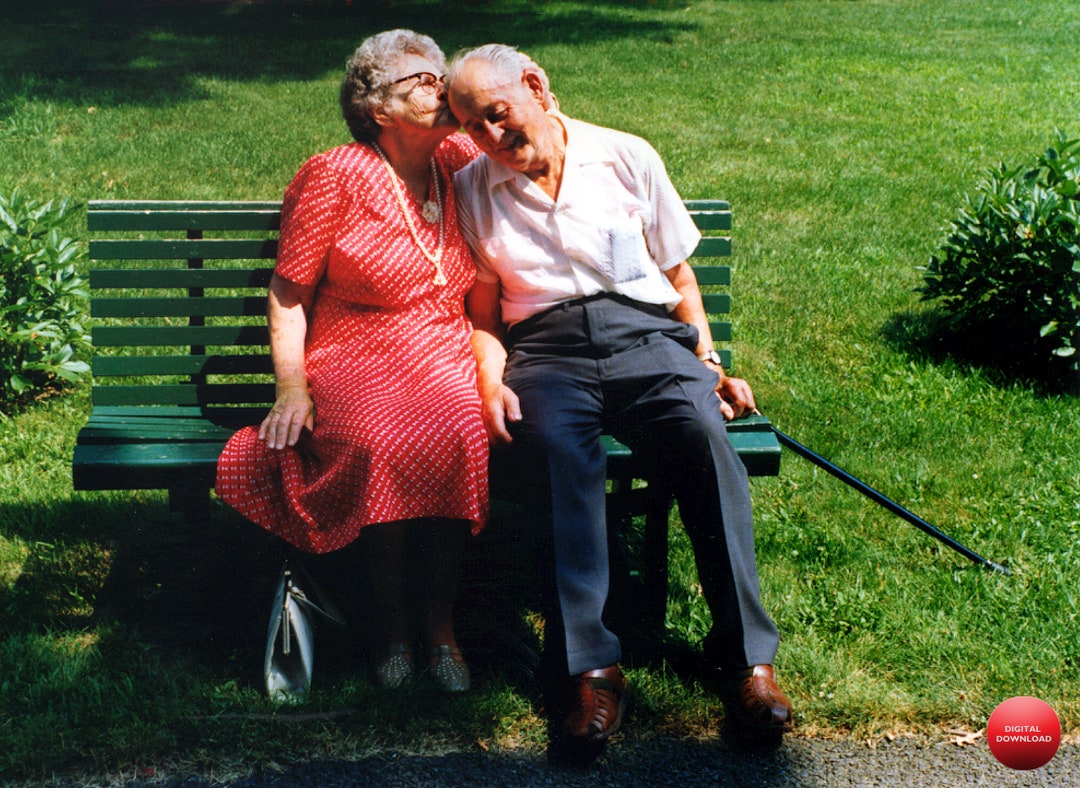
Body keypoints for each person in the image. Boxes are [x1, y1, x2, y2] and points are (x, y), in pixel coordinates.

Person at [446, 44, 794, 753]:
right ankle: (592, 670)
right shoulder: (474, 188)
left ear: (537, 86)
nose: (490, 137)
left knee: (702, 435)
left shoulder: (626, 156)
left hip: (647, 339)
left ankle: (746, 659)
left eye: (498, 114)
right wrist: (489, 381)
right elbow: (483, 313)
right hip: (546, 350)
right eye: (473, 127)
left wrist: (710, 362)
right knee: (557, 453)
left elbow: (680, 278)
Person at [216, 29, 488, 697]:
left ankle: (441, 629)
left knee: (460, 428)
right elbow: (289, 292)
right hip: (355, 347)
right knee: (378, 439)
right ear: (376, 109)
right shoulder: (335, 174)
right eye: (420, 81)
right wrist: (291, 388)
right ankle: (391, 631)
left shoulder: (460, 158)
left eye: (440, 74)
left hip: (443, 342)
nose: (441, 88)